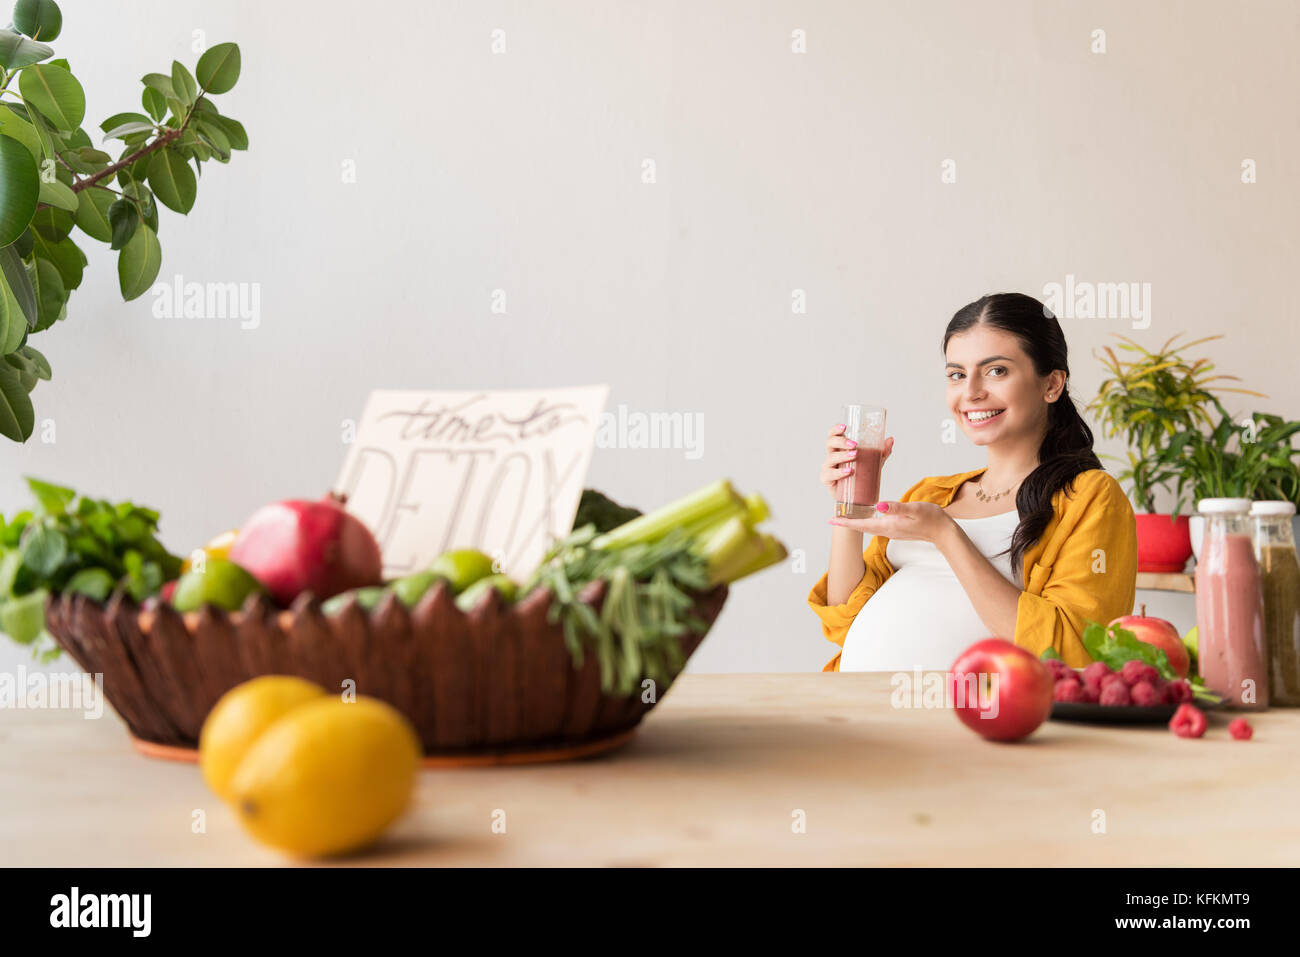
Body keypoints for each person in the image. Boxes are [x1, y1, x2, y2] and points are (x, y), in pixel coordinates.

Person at [809, 292, 1137, 672]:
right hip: (856, 713)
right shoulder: (931, 494)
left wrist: (946, 535)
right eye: (957, 374)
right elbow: (843, 620)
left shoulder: (1090, 498)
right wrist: (850, 508)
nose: (971, 392)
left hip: (978, 723)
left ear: (1052, 384)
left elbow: (1073, 652)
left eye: (996, 370)